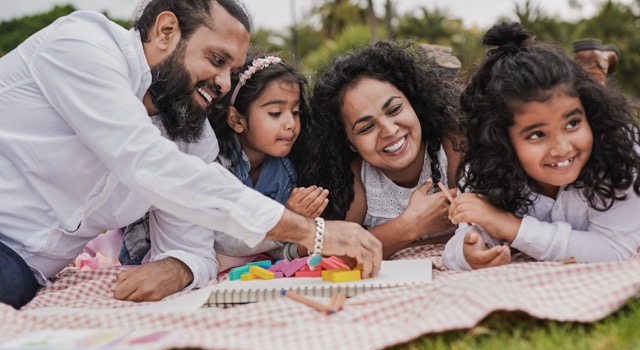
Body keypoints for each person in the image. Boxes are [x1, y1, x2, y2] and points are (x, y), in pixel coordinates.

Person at [0, 0, 381, 310]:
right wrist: (312, 232)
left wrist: (178, 267)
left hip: (22, 273)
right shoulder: (82, 45)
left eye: (232, 70)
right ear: (166, 32)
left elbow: (195, 248)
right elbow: (146, 163)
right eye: (217, 60)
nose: (224, 83)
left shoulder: (191, 137)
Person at [442, 22, 640, 271]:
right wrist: (469, 251)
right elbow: (465, 239)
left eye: (573, 123)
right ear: (500, 141)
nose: (561, 148)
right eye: (537, 134)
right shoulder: (485, 169)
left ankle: (598, 64)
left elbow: (613, 249)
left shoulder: (620, 150)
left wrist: (512, 227)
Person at [120, 50, 328, 268]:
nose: (291, 124)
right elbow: (222, 240)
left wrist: (302, 242)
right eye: (275, 113)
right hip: (167, 259)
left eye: (295, 112)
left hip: (239, 264)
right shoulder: (214, 162)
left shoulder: (284, 171)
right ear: (237, 120)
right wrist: (287, 219)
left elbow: (272, 246)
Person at [300, 41, 463, 260]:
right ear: (349, 143)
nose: (389, 130)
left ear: (414, 103)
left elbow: (487, 225)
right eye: (366, 127)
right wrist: (410, 225)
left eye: (395, 109)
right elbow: (334, 256)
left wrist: (379, 239)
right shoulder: (355, 175)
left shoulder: (453, 143)